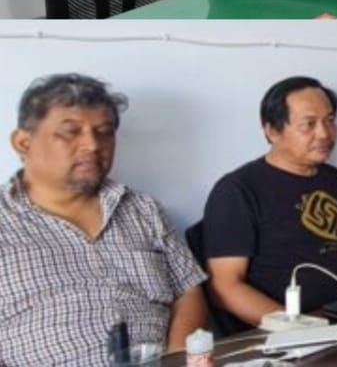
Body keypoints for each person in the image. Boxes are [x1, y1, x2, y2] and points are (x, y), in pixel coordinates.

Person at [0, 74, 206, 366]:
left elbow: (188, 293)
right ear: (23, 142)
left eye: (104, 132)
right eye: (71, 132)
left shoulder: (142, 209)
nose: (92, 145)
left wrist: (176, 361)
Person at [202, 77, 337, 327]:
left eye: (330, 121)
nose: (324, 133)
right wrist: (301, 327)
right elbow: (224, 288)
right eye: (308, 124)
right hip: (301, 330)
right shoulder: (237, 190)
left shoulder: (334, 178)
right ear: (272, 131)